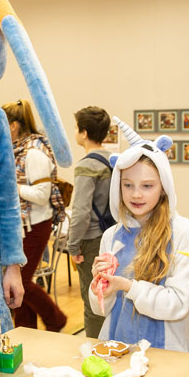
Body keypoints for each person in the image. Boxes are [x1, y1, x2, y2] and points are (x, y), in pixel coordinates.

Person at [89, 120, 189, 352]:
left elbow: (178, 304)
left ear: (163, 187)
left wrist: (127, 286)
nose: (136, 195)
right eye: (128, 185)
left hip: (166, 353)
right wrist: (99, 286)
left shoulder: (185, 233)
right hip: (116, 349)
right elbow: (100, 309)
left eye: (147, 186)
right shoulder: (112, 235)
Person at [1, 99, 67, 332]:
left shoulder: (33, 153)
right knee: (19, 285)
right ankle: (26, 330)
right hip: (24, 225)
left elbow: (41, 194)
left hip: (36, 226)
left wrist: (10, 187)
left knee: (23, 283)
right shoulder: (19, 150)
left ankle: (56, 319)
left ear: (13, 125)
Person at [67, 106, 113, 338]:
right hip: (111, 236)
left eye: (76, 127)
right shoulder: (114, 160)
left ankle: (95, 351)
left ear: (84, 132)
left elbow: (81, 211)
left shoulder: (87, 165)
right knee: (110, 294)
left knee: (93, 299)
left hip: (91, 240)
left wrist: (73, 245)